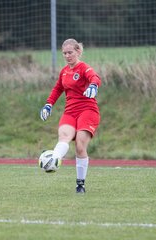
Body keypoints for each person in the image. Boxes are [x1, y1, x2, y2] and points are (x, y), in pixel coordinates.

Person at [40, 38, 101, 194]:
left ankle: (80, 184)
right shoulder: (64, 71)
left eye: (70, 52)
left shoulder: (83, 68)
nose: (67, 56)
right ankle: (53, 161)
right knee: (64, 138)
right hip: (70, 112)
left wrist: (93, 86)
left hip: (88, 110)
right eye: (64, 53)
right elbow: (57, 89)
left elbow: (95, 77)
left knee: (80, 146)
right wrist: (48, 104)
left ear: (78, 51)